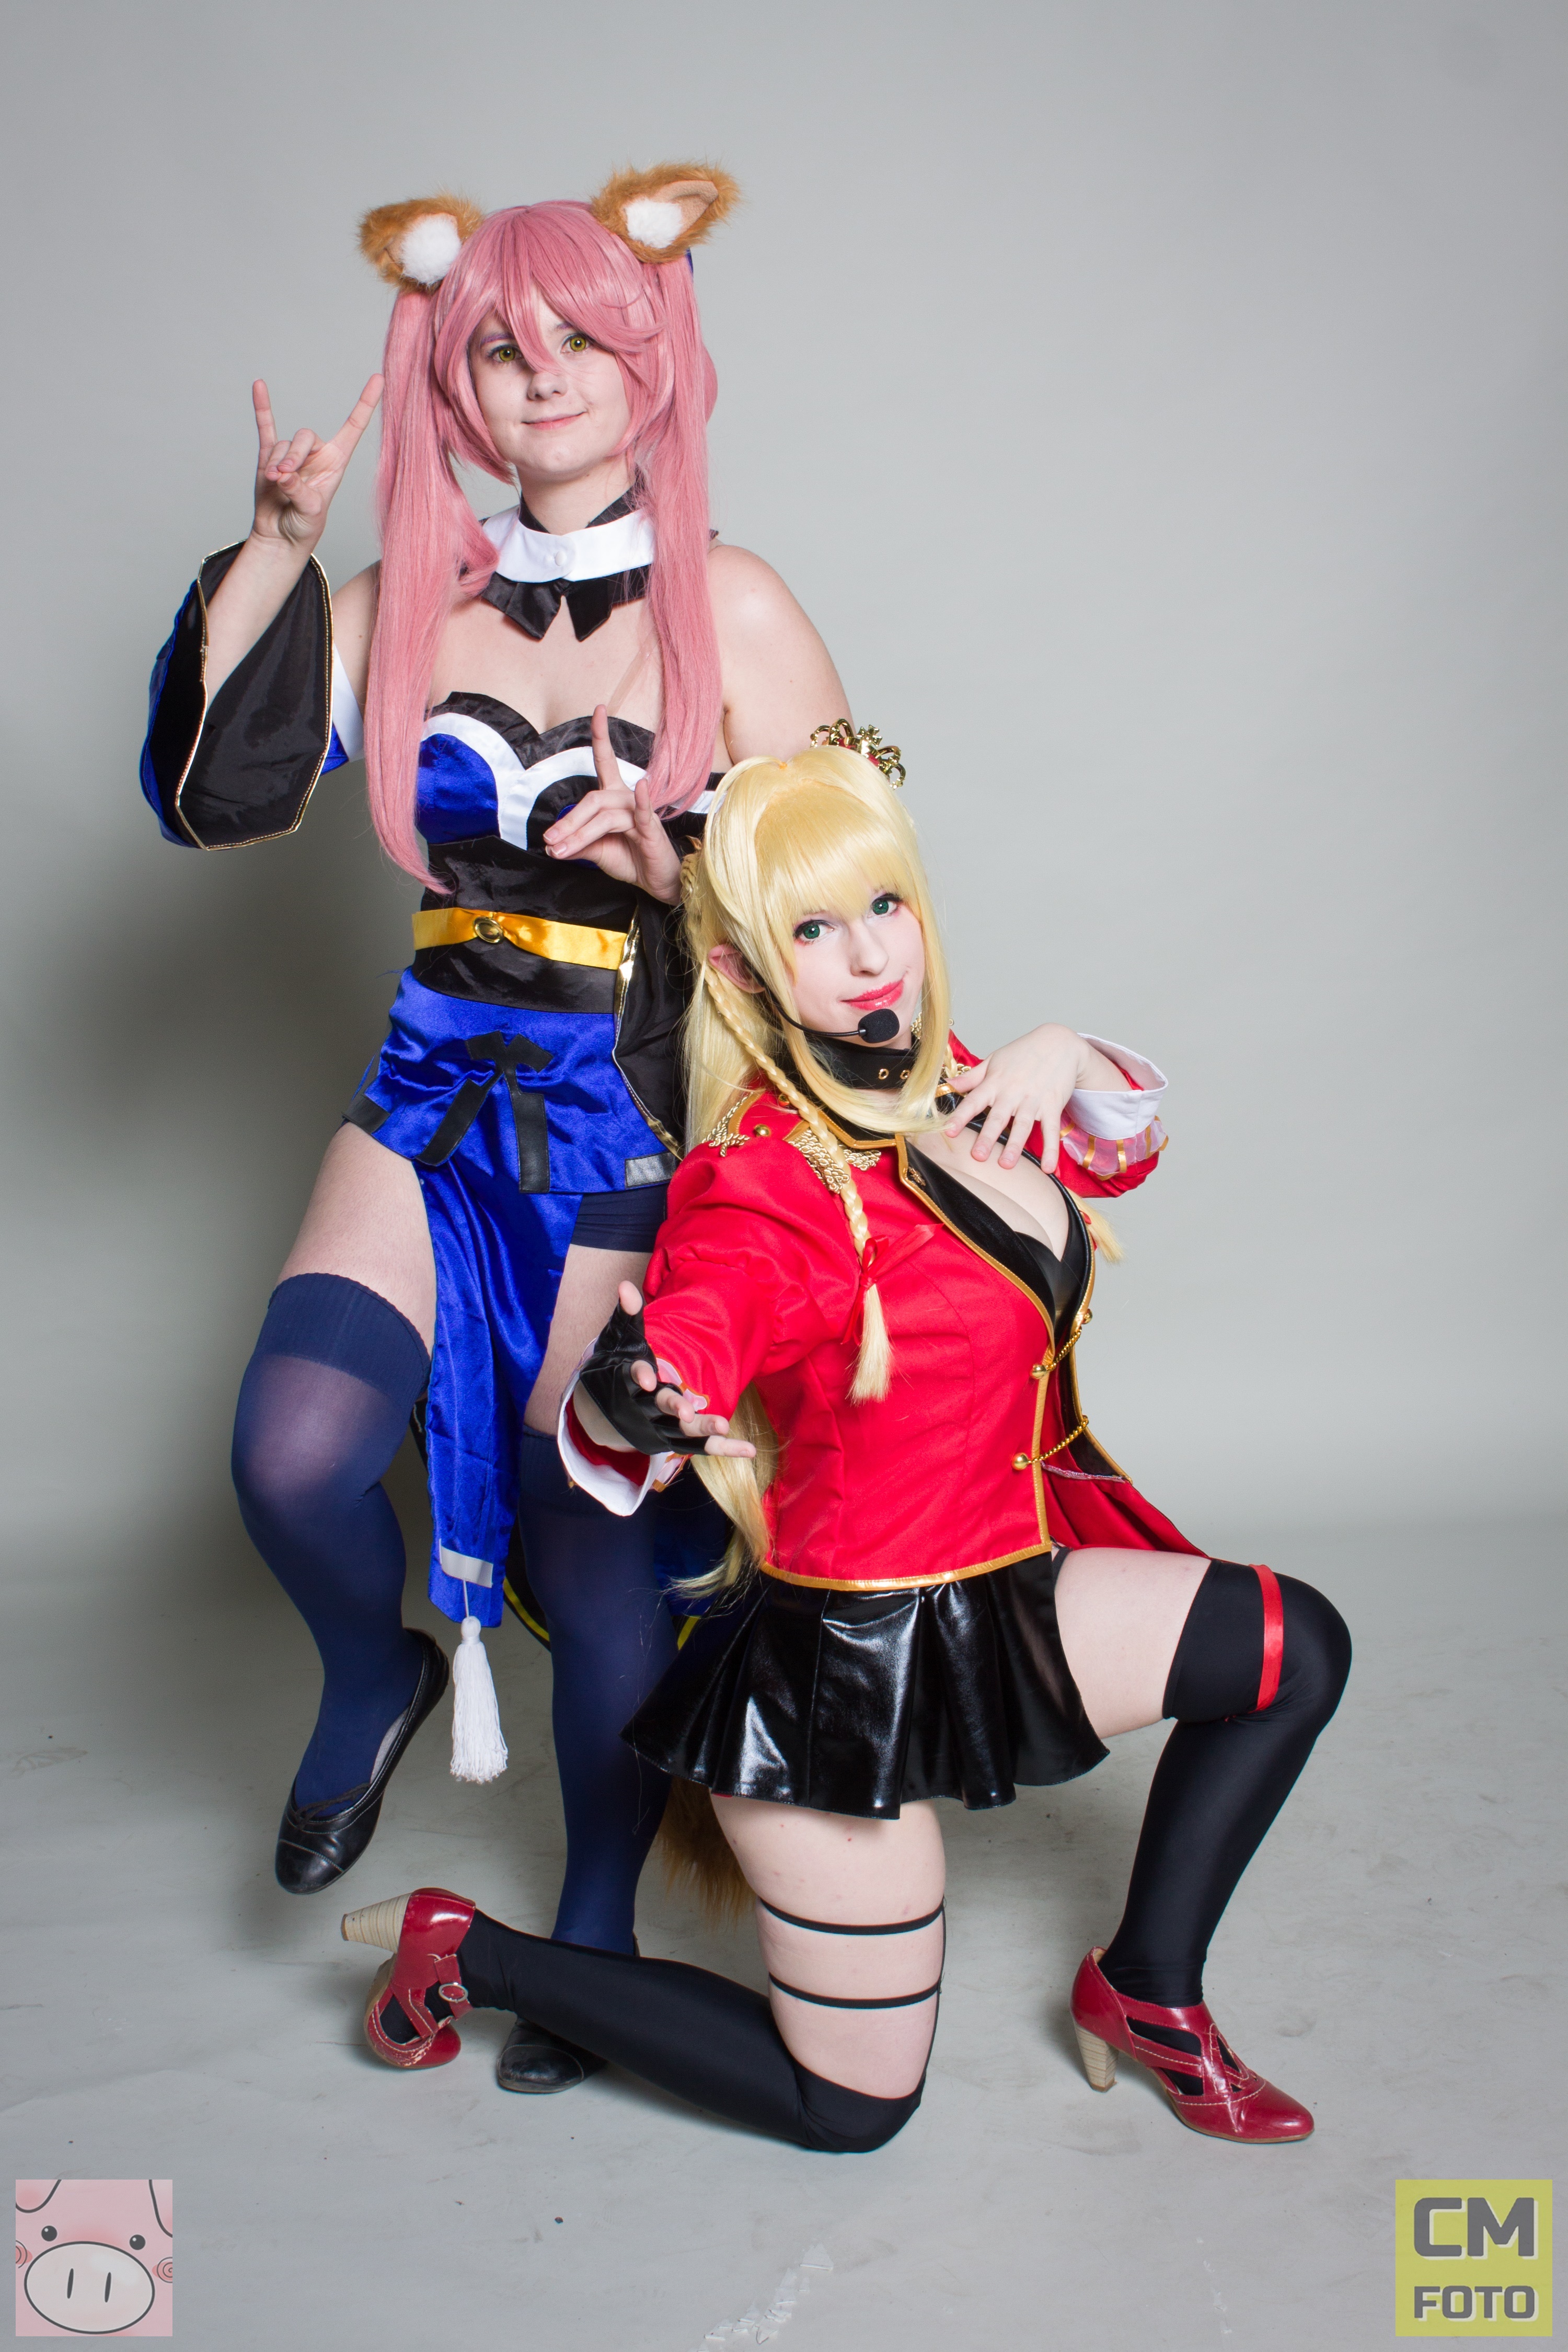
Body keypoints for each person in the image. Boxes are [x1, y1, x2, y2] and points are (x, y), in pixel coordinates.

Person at [139, 172, 1081, 2093]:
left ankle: (587, 1930)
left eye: (581, 336)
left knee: (598, 1565)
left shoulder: (737, 604)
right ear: (456, 388)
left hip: (636, 1121)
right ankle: (376, 1676)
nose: (542, 373)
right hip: (428, 1095)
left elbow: (848, 907)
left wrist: (686, 870)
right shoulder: (407, 598)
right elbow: (210, 795)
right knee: (294, 1450)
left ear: (653, 355)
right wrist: (273, 552)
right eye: (499, 347)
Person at [338, 744, 1352, 2154]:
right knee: (853, 2107)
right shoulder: (764, 1176)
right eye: (815, 930)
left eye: (886, 906)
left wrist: (1066, 1049)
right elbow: (691, 1330)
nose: (873, 956)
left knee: (1295, 1648)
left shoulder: (953, 1089)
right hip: (840, 1671)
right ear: (745, 975)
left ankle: (1148, 1988)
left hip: (1005, 1587)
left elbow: (1115, 1146)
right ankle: (476, 1955)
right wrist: (642, 1393)